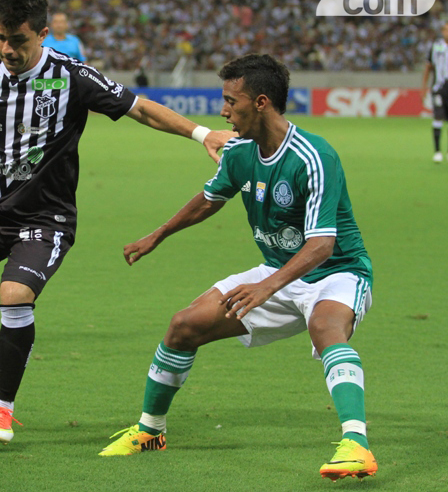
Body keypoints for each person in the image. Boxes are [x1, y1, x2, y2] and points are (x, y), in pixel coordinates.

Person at [0, 0, 233, 445]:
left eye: (18, 40)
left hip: (46, 219)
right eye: (0, 37)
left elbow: (139, 108)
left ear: (42, 34)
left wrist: (201, 133)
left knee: (14, 293)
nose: (7, 49)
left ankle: (2, 407)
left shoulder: (73, 76)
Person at [98, 54, 377, 483]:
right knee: (183, 326)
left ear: (261, 102)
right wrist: (158, 234)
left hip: (337, 271)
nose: (223, 111)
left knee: (326, 329)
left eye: (231, 101)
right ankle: (150, 431)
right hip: (278, 270)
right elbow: (210, 198)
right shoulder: (241, 150)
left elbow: (323, 244)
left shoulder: (314, 156)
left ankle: (356, 445)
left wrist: (265, 287)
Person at [421, 23, 448, 163]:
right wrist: (423, 87)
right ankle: (437, 151)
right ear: (443, 31)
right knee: (438, 117)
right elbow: (428, 68)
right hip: (439, 88)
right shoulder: (436, 47)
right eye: (446, 30)